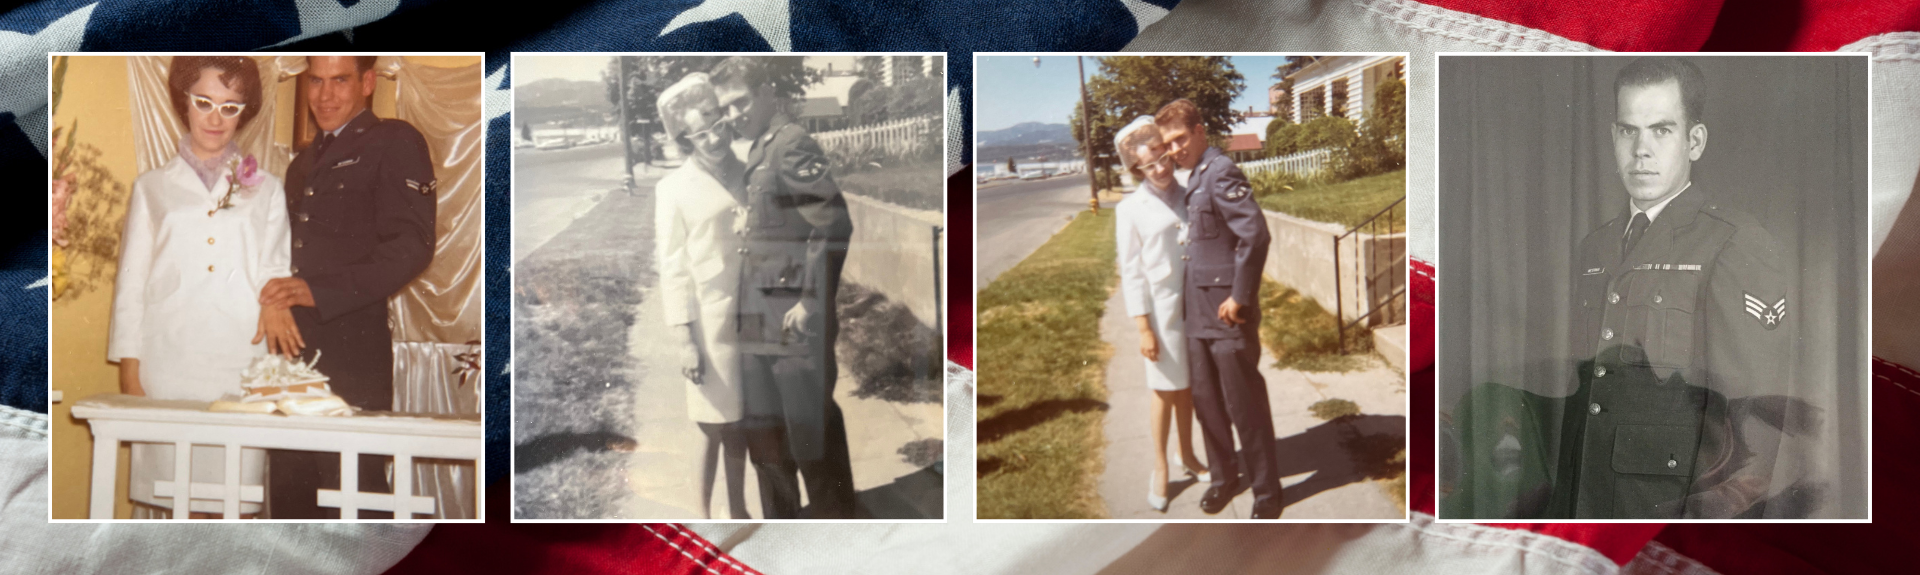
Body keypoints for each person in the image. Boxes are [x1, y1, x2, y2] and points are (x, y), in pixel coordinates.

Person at [1554, 57, 1797, 518]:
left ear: (1695, 141)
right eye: (1629, 131)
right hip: (1585, 495)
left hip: (1668, 508)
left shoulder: (1733, 242)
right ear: (1613, 137)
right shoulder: (1596, 247)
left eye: (1661, 130)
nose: (1641, 150)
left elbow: (1756, 416)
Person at [108, 55, 295, 519]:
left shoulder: (267, 189)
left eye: (230, 107)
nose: (215, 118)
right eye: (205, 102)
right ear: (183, 103)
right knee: (168, 498)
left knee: (232, 497)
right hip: (167, 362)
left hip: (239, 360)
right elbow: (131, 284)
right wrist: (130, 369)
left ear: (244, 112)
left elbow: (275, 268)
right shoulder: (151, 187)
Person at [260, 55, 438, 519]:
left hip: (353, 350)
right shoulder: (302, 163)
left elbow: (412, 245)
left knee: (356, 496)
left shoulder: (394, 141)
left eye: (339, 80)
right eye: (315, 81)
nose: (324, 95)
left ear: (367, 83)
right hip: (290, 354)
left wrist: (317, 290)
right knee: (291, 494)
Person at [711, 56, 857, 519]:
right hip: (759, 320)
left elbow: (833, 224)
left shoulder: (790, 143)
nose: (734, 114)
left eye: (741, 101)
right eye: (726, 108)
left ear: (767, 92)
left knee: (809, 433)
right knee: (766, 439)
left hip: (793, 323)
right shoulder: (758, 151)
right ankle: (783, 533)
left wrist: (811, 301)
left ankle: (838, 529)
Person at [1155, 99, 1284, 519]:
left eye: (1179, 139)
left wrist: (1241, 297)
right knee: (1208, 405)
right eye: (1168, 143)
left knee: (1244, 406)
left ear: (1199, 131)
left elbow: (1255, 235)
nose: (1174, 149)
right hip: (1199, 315)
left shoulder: (1220, 171)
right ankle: (1223, 478)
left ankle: (1267, 492)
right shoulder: (1195, 178)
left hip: (1228, 315)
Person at [654, 72, 751, 519]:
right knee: (709, 425)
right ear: (685, 140)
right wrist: (684, 340)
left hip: (752, 313)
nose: (711, 139)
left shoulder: (747, 166)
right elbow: (671, 268)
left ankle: (737, 508)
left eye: (716, 127)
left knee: (739, 424)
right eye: (699, 134)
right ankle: (700, 513)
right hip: (708, 324)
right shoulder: (672, 189)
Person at [1112, 116, 1209, 512]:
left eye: (1162, 157)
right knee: (1163, 391)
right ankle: (1159, 467)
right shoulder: (1130, 209)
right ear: (1136, 169)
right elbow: (1131, 271)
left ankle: (1187, 455)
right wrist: (1143, 328)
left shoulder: (1190, 190)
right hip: (1160, 313)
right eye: (1149, 164)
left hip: (1196, 306)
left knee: (1187, 388)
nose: (1161, 168)